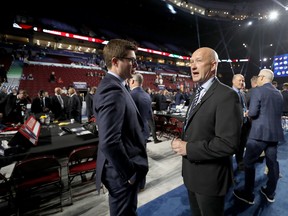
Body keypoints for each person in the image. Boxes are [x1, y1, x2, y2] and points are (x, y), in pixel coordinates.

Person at [171, 47, 242, 216]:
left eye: (199, 61)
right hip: (191, 174)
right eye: (191, 62)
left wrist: (188, 148)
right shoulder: (198, 92)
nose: (193, 66)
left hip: (210, 179)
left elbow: (228, 143)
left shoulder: (227, 96)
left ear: (213, 65)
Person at [93, 39, 148, 216]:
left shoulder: (117, 86)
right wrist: (129, 174)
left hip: (118, 170)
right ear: (116, 62)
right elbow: (109, 141)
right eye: (131, 60)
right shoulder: (112, 90)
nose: (136, 64)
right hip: (120, 174)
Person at [233, 69, 284, 204]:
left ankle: (248, 194)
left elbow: (254, 113)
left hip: (258, 134)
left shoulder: (257, 91)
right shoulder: (278, 93)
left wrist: (248, 113)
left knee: (249, 163)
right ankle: (270, 192)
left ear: (261, 78)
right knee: (272, 163)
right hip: (274, 135)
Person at [232, 74, 250, 171]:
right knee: (232, 147)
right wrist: (241, 114)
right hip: (234, 126)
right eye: (239, 80)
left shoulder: (243, 93)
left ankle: (240, 162)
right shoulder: (229, 93)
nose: (241, 82)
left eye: (243, 80)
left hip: (244, 124)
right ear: (233, 81)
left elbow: (244, 106)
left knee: (242, 145)